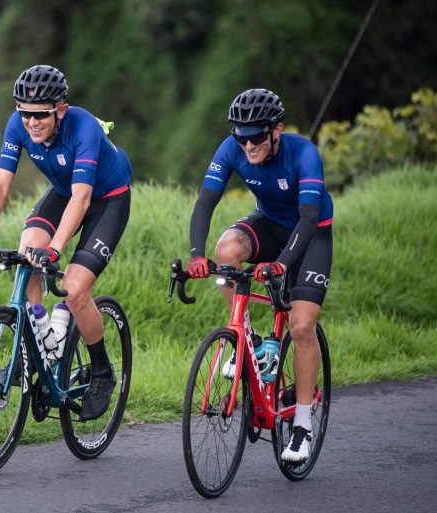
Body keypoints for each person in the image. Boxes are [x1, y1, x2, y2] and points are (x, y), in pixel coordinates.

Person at [0, 64, 132, 420]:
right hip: (61, 193)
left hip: (107, 200)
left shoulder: (82, 126)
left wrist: (55, 249)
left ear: (60, 109)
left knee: (73, 288)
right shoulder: (19, 124)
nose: (32, 122)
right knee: (28, 256)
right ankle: (41, 346)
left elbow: (83, 198)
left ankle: (102, 372)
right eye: (25, 114)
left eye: (41, 114)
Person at [185, 88, 333, 463]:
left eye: (255, 137)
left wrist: (282, 263)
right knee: (227, 252)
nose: (247, 145)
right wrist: (196, 255)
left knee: (301, 328)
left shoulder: (303, 154)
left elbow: (309, 217)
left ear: (276, 130)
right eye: (241, 136)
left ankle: (301, 424)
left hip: (310, 234)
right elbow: (206, 200)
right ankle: (245, 339)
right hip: (268, 223)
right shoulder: (233, 147)